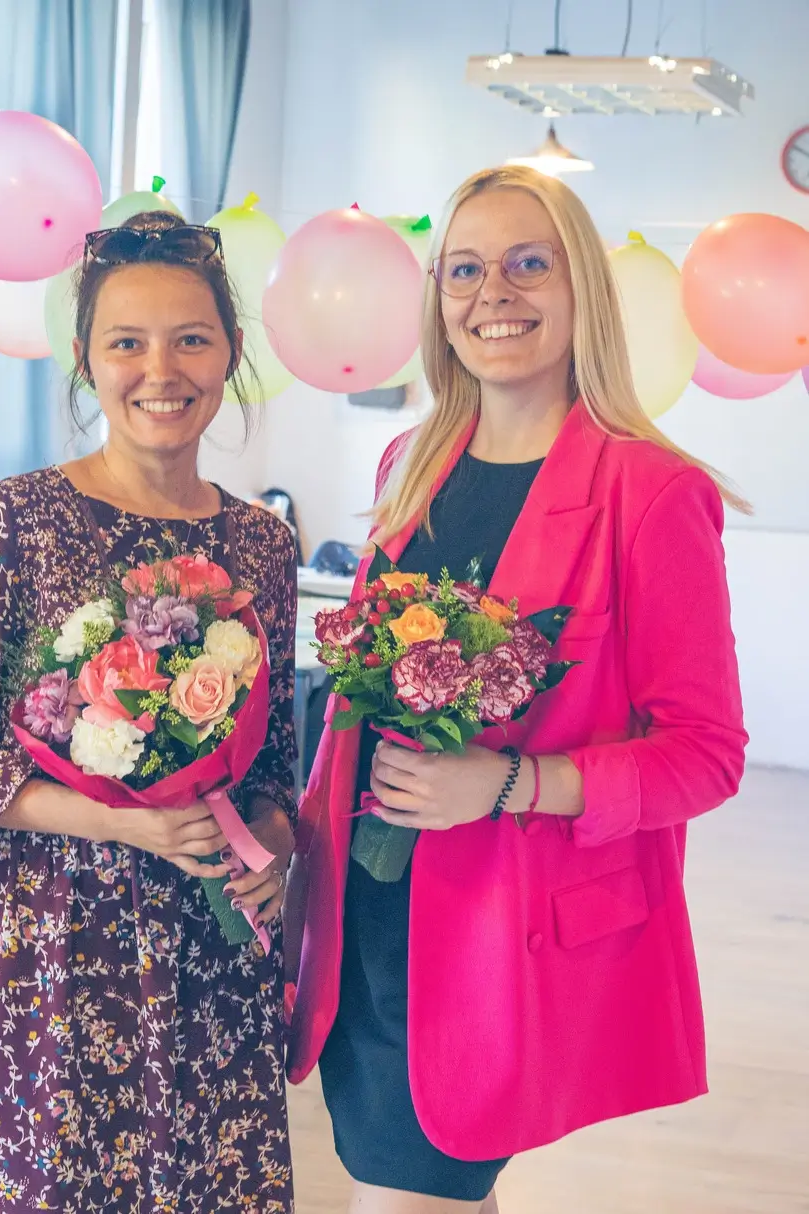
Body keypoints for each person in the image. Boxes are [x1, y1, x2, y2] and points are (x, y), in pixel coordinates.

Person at [285, 165, 749, 1214]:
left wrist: (508, 784)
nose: (492, 292)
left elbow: (704, 754)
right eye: (463, 270)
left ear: (579, 286)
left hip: (501, 935)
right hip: (367, 907)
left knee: (407, 1189)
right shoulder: (409, 462)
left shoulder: (649, 490)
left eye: (527, 263)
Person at [0, 212, 299, 1213]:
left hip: (208, 961)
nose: (160, 370)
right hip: (44, 956)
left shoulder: (261, 545)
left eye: (190, 339)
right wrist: (122, 822)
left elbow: (272, 769)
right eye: (126, 342)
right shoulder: (10, 521)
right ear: (84, 360)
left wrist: (274, 852)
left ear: (230, 353)